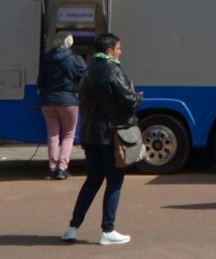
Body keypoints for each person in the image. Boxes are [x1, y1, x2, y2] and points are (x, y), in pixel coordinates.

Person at [64, 32, 141, 245]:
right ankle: (108, 230)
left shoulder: (88, 70)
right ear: (109, 50)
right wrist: (138, 97)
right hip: (111, 134)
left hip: (90, 133)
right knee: (114, 181)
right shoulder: (113, 70)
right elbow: (128, 99)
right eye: (118, 48)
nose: (120, 52)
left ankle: (72, 227)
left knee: (92, 180)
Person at [38, 32, 87, 179]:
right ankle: (62, 168)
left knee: (53, 135)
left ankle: (52, 168)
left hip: (48, 100)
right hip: (69, 101)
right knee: (68, 135)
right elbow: (85, 76)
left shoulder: (47, 58)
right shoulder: (75, 59)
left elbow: (41, 80)